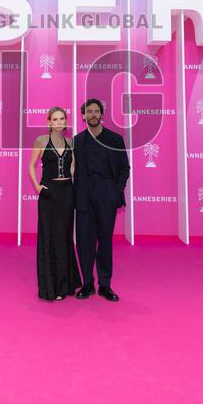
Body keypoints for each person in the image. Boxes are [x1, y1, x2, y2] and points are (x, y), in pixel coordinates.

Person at [73, 98, 129, 302]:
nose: (93, 115)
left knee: (105, 241)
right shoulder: (78, 141)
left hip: (107, 194)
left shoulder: (115, 139)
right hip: (84, 195)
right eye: (89, 112)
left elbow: (124, 168)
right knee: (84, 241)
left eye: (97, 111)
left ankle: (105, 285)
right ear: (83, 116)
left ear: (102, 115)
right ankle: (87, 283)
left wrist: (116, 191)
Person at [28, 106, 82, 301]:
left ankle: (65, 285)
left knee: (65, 236)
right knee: (50, 237)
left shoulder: (70, 142)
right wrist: (38, 186)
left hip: (67, 193)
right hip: (49, 194)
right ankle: (51, 286)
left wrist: (73, 179)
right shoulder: (41, 141)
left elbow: (73, 166)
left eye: (62, 119)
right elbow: (31, 166)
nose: (59, 122)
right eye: (55, 119)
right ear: (49, 122)